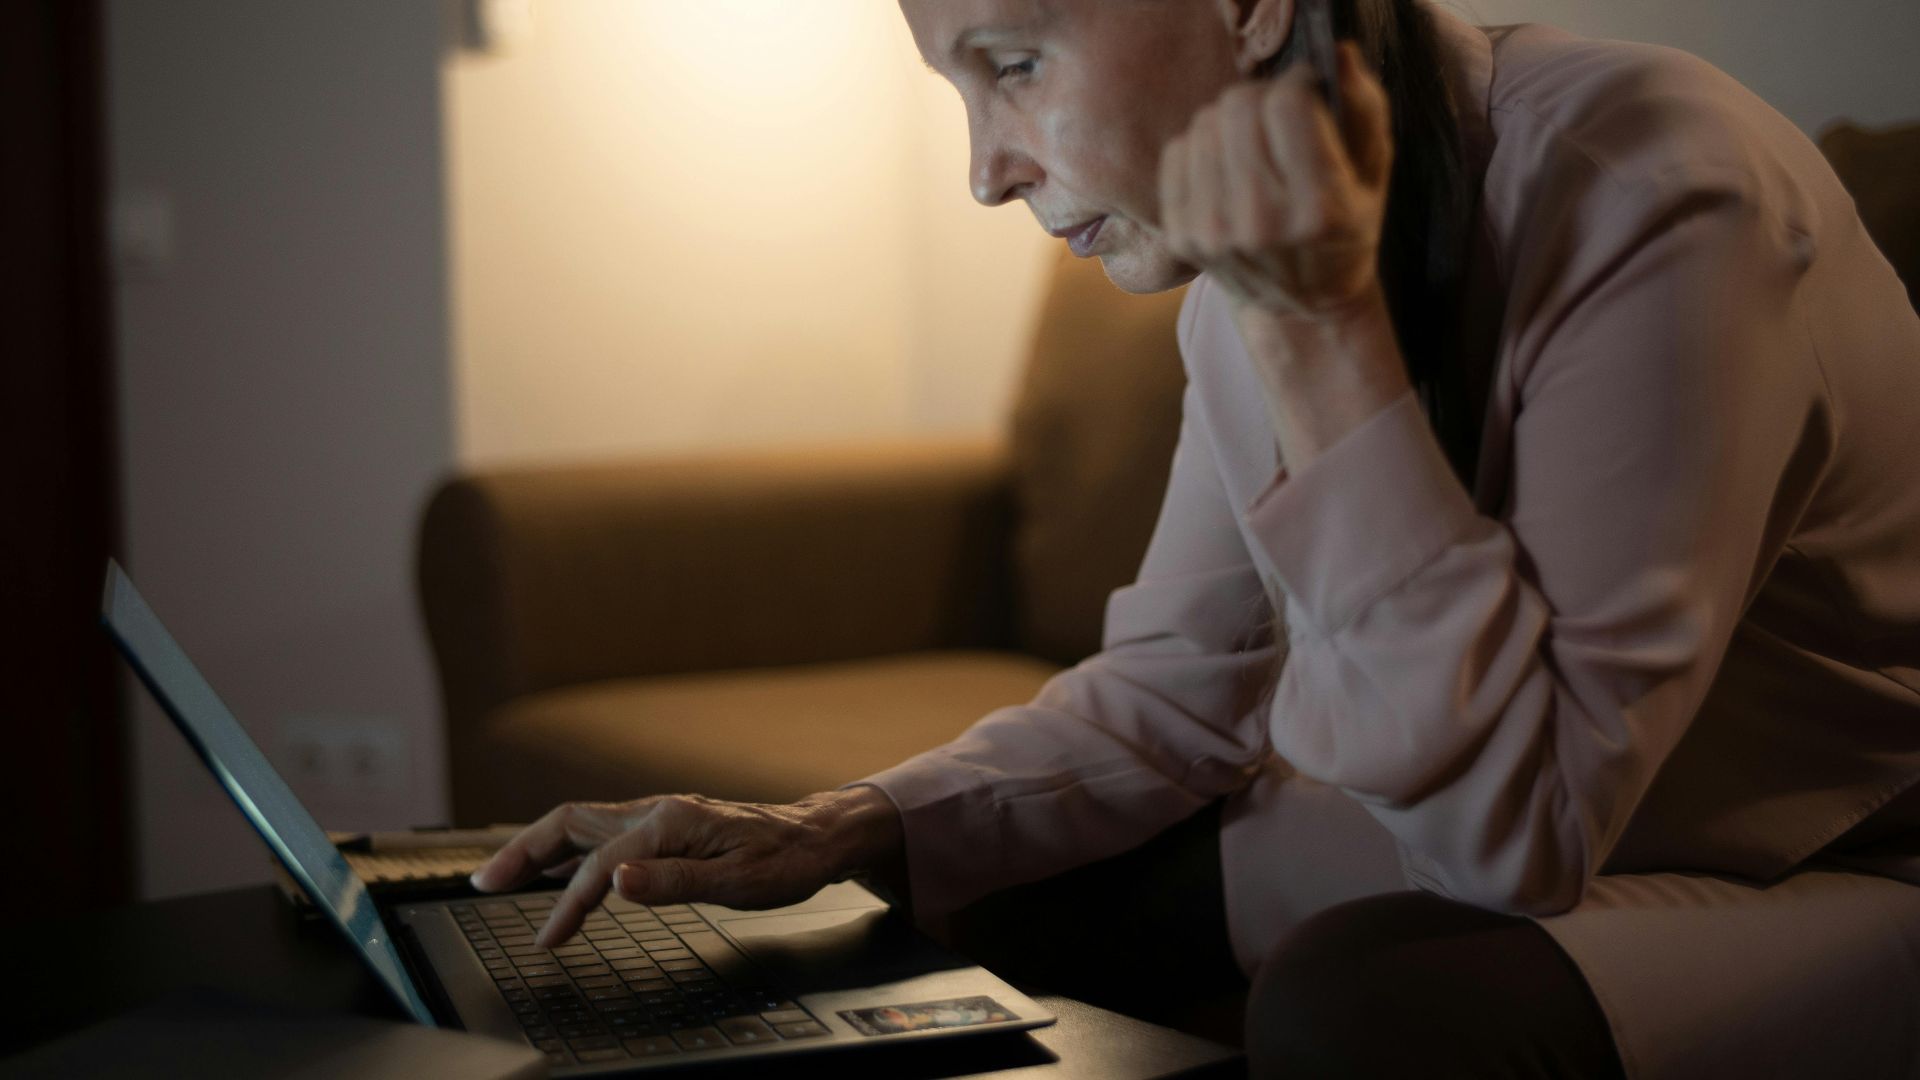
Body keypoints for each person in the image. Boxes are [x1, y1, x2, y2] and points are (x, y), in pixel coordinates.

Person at [471, 0, 1920, 1075]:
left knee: (1366, 1008)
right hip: (1600, 824)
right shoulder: (1245, 270)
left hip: (1847, 862)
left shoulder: (1657, 186)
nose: (983, 171)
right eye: (958, 88)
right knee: (955, 903)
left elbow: (1512, 843)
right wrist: (835, 825)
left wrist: (1315, 326)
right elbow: (1180, 687)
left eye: (1016, 66)